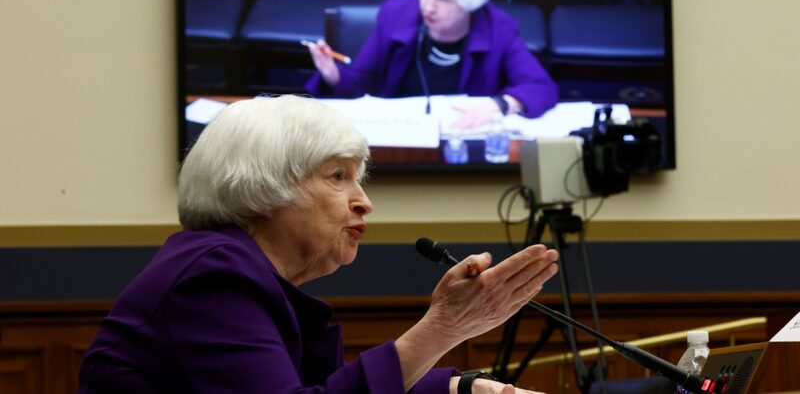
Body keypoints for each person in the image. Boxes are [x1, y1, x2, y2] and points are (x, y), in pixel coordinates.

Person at [78, 95, 560, 393]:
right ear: (261, 184)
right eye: (338, 177)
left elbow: (319, 387)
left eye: (359, 179)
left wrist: (461, 386)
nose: (364, 202)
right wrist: (443, 327)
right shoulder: (211, 279)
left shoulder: (238, 271)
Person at [305, 0, 558, 130]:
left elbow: (541, 87)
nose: (428, 6)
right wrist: (333, 75)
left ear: (470, 1)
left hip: (461, 138)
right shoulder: (396, 15)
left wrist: (499, 105)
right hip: (400, 135)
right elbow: (361, 83)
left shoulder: (498, 29)